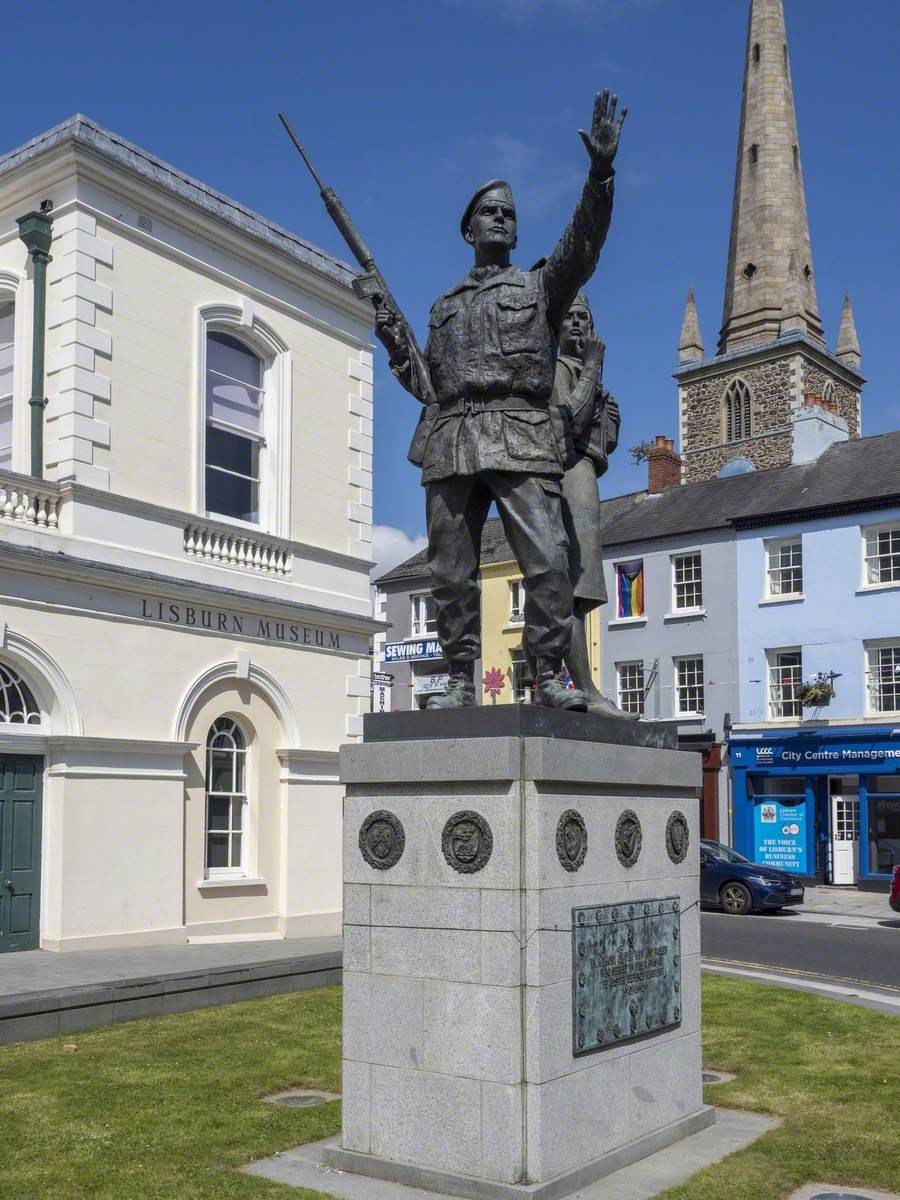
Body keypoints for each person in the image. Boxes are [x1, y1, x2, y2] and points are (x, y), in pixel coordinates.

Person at [376, 91, 627, 710]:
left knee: (547, 561)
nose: (501, 220)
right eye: (489, 213)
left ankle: (546, 674)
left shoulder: (542, 286)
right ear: (468, 229)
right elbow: (426, 383)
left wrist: (600, 176)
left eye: (509, 214)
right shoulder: (444, 306)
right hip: (453, 437)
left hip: (519, 431)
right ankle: (461, 680)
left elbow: (585, 244)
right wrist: (389, 331)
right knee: (450, 574)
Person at [551, 293, 636, 717]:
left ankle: (582, 687)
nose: (579, 324)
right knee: (573, 588)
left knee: (577, 591)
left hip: (584, 473)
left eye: (585, 317)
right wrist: (595, 365)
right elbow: (569, 421)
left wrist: (611, 420)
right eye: (570, 317)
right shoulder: (555, 369)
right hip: (567, 474)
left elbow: (602, 440)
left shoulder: (583, 376)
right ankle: (584, 689)